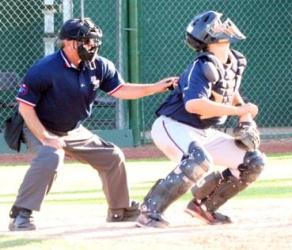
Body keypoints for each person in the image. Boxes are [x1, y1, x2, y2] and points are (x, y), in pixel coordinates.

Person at [8, 17, 178, 231]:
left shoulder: (99, 65)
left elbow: (121, 90)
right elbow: (25, 107)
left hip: (72, 129)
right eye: (86, 41)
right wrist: (44, 137)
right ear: (69, 43)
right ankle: (21, 214)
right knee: (51, 155)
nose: (92, 45)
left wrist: (155, 87)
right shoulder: (45, 68)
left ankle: (120, 210)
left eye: (94, 41)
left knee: (112, 156)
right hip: (39, 125)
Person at [136, 10, 265, 228]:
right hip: (173, 125)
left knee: (253, 161)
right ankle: (149, 211)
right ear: (210, 36)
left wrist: (246, 118)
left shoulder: (235, 61)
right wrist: (241, 110)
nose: (226, 26)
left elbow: (230, 91)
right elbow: (194, 105)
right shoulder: (203, 64)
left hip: (203, 131)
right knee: (198, 159)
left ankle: (204, 206)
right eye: (219, 26)